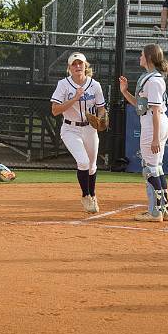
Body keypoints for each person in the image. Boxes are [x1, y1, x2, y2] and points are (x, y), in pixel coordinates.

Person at [119, 44, 168, 222]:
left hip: (153, 124)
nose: (139, 58)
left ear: (149, 57)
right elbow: (141, 105)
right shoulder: (151, 78)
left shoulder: (155, 80)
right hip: (152, 121)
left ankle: (155, 211)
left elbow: (155, 110)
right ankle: (163, 208)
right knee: (156, 167)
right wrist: (125, 92)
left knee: (149, 169)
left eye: (142, 55)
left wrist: (155, 138)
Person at [50, 52, 107, 214]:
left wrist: (100, 118)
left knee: (92, 165)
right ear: (69, 68)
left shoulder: (95, 85)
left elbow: (101, 108)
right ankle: (85, 195)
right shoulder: (63, 85)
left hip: (89, 128)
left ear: (85, 66)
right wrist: (75, 98)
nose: (77, 66)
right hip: (70, 129)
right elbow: (55, 110)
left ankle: (93, 194)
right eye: (74, 64)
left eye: (80, 63)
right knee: (83, 162)